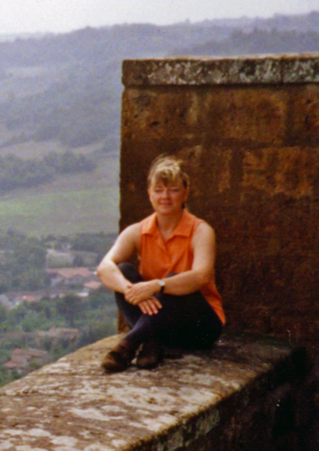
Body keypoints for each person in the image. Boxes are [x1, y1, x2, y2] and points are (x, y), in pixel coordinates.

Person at [96, 153, 225, 372]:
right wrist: (132, 289)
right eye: (159, 190)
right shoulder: (138, 231)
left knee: (172, 283)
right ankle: (152, 343)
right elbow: (104, 267)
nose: (165, 196)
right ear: (149, 195)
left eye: (173, 190)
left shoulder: (201, 231)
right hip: (161, 322)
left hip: (199, 325)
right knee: (123, 271)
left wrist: (157, 286)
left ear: (186, 193)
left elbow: (201, 276)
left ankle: (127, 346)